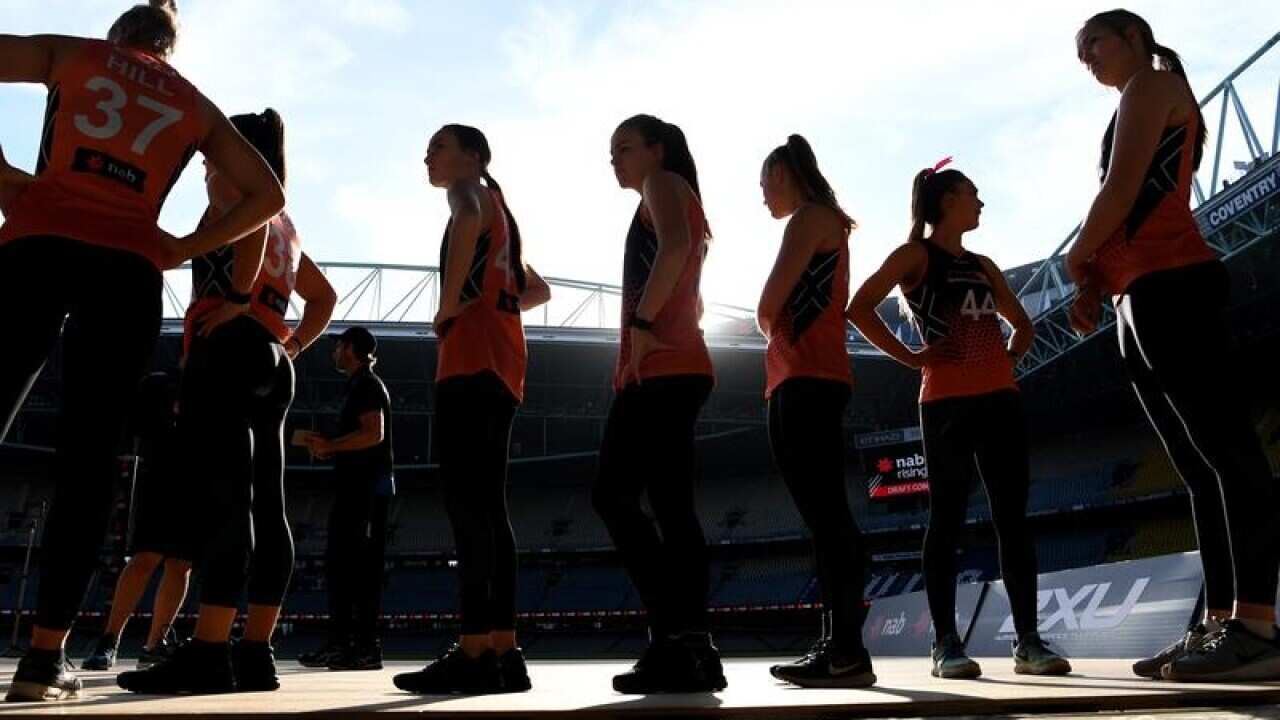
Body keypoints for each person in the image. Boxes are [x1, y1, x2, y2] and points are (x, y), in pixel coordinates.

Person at [0, 1, 286, 702]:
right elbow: (268, 194)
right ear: (168, 49)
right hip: (127, 267)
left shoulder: (74, 54)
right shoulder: (192, 102)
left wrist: (4, 175)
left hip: (38, 243)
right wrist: (181, 247)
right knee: (89, 460)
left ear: (118, 36)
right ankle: (44, 658)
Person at [1067, 9, 1280, 683]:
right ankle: (1219, 623)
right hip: (1136, 295)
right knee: (1197, 470)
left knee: (1229, 455)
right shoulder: (1132, 101)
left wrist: (1076, 258)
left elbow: (1121, 190)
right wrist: (1096, 282)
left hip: (1172, 283)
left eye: (1093, 42)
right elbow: (1125, 209)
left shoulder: (1153, 85)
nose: (1086, 57)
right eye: (1080, 51)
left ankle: (1257, 626)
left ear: (1134, 36)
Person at [118, 108, 336, 694]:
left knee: (225, 502)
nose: (204, 160)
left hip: (227, 347)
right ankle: (256, 651)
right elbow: (323, 297)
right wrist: (290, 344)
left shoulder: (235, 188)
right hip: (270, 355)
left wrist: (237, 297)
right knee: (268, 506)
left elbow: (251, 228)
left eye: (212, 149)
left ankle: (210, 651)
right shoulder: (289, 223)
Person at [847, 162, 1070, 680]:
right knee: (946, 520)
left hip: (999, 401)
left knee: (1012, 519)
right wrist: (912, 356)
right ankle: (945, 643)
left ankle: (1029, 640)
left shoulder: (984, 265)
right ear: (948, 200)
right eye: (974, 193)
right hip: (945, 402)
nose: (981, 202)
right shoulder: (915, 256)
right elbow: (859, 308)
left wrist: (1004, 361)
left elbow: (1023, 325)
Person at [393, 125, 550, 696]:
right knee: (490, 509)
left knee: (466, 508)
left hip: (469, 359)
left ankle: (474, 649)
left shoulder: (469, 191)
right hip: (505, 363)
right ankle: (505, 651)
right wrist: (494, 303)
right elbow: (539, 290)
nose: (428, 156)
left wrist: (449, 303)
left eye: (438, 146)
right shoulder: (504, 211)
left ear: (473, 157)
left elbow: (463, 220)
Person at [590, 114, 723, 695]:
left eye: (623, 148)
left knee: (615, 495)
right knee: (670, 507)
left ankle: (676, 637)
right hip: (675, 367)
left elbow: (676, 246)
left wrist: (642, 325)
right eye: (610, 152)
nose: (614, 160)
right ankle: (689, 645)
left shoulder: (663, 184)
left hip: (663, 369)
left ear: (657, 150)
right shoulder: (677, 193)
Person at [756, 135, 874, 688]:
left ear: (784, 173)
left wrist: (770, 325)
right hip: (802, 376)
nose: (762, 195)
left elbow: (767, 306)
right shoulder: (819, 221)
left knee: (827, 518)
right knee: (824, 518)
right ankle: (839, 646)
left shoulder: (809, 219)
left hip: (807, 376)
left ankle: (845, 648)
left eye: (764, 182)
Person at [296, 327, 396, 673]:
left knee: (359, 570)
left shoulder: (368, 385)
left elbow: (373, 433)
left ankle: (365, 647)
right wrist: (329, 445)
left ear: (351, 349)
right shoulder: (358, 386)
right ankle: (341, 643)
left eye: (338, 346)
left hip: (367, 491)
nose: (334, 352)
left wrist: (331, 446)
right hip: (355, 489)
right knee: (341, 566)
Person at [81, 371, 191, 672]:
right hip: (159, 477)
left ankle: (156, 644)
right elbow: (136, 425)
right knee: (145, 558)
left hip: (197, 481)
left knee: (180, 564)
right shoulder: (160, 383)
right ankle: (110, 639)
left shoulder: (214, 386)